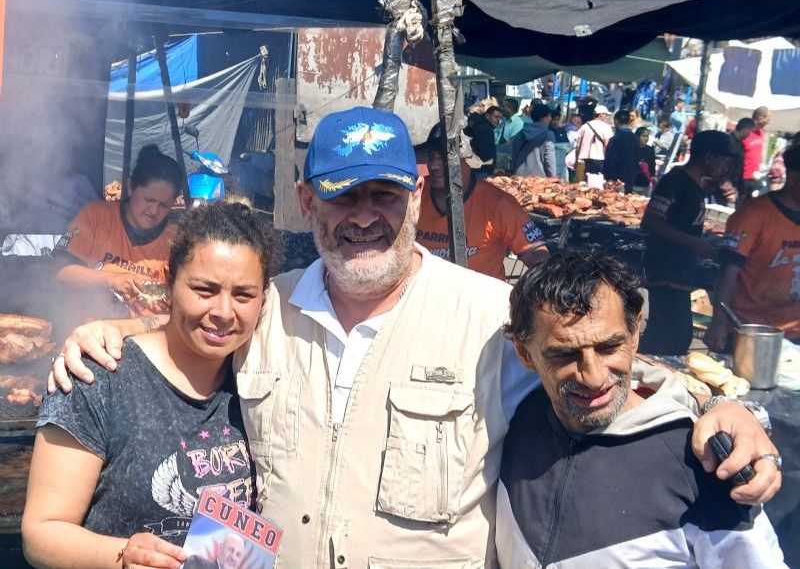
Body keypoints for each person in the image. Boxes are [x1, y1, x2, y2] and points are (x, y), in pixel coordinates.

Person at [50, 107, 781, 568]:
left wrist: (717, 405)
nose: (364, 216)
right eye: (343, 196)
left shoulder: (493, 316)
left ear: (414, 197)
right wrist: (113, 326)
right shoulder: (266, 310)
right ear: (308, 202)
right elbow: (192, 326)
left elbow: (595, 361)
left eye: (385, 195)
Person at [498, 251, 787, 568]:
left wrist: (730, 407)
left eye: (609, 347)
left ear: (635, 336)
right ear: (524, 354)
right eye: (564, 355)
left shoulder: (701, 464)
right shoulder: (516, 415)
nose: (593, 377)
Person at [22, 201, 271, 569]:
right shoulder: (99, 376)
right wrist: (120, 556)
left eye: (243, 295)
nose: (223, 311)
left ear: (264, 298)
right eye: (204, 289)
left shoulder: (259, 373)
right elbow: (41, 533)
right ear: (169, 282)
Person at [53, 145, 183, 317]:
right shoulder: (96, 216)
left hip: (145, 336)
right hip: (87, 330)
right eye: (148, 199)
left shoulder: (175, 239)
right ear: (130, 187)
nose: (153, 211)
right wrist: (110, 279)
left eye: (164, 205)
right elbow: (61, 272)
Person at [639, 130, 736, 356]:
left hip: (681, 274)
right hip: (666, 273)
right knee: (669, 339)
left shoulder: (697, 186)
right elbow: (651, 221)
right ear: (709, 157)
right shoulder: (675, 182)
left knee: (678, 337)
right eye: (724, 159)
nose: (725, 166)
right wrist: (694, 243)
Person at [416, 124, 549, 278]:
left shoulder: (498, 204)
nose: (433, 165)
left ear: (469, 160)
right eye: (431, 156)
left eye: (445, 157)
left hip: (482, 300)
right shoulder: (415, 193)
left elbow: (537, 256)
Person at [705, 144, 800, 351]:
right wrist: (719, 322)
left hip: (795, 333)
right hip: (751, 330)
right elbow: (728, 272)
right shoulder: (753, 215)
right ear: (793, 179)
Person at [716, 118, 755, 207]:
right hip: (724, 186)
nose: (749, 135)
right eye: (749, 131)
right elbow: (723, 167)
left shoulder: (740, 145)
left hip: (734, 185)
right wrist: (727, 187)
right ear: (745, 129)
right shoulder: (728, 143)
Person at [511, 103, 557, 177]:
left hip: (518, 176)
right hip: (538, 179)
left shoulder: (521, 132)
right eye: (549, 116)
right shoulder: (548, 134)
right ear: (544, 118)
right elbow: (549, 160)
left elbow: (514, 153)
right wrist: (553, 177)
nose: (550, 119)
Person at [603, 110, 640, 194]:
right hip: (630, 177)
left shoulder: (616, 138)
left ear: (616, 121)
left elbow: (610, 159)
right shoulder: (634, 138)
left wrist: (608, 176)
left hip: (615, 179)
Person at [741, 106, 772, 199]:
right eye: (767, 120)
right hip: (743, 177)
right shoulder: (745, 132)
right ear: (760, 118)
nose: (768, 123)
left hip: (755, 177)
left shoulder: (761, 133)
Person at [574, 104, 613, 180]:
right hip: (598, 160)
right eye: (605, 115)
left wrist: (576, 159)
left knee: (581, 185)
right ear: (601, 115)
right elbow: (607, 144)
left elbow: (577, 145)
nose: (606, 117)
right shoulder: (606, 127)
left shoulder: (584, 126)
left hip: (582, 160)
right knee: (595, 186)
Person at [466, 104, 503, 174]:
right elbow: (485, 152)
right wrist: (491, 169)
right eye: (496, 117)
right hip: (481, 171)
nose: (498, 120)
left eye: (500, 118)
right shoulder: (486, 129)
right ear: (487, 116)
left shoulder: (479, 125)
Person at [634, 126, 656, 193]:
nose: (646, 138)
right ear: (637, 136)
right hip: (634, 183)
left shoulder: (650, 149)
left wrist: (653, 176)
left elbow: (652, 164)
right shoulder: (632, 149)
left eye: (647, 136)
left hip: (645, 183)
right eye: (643, 136)